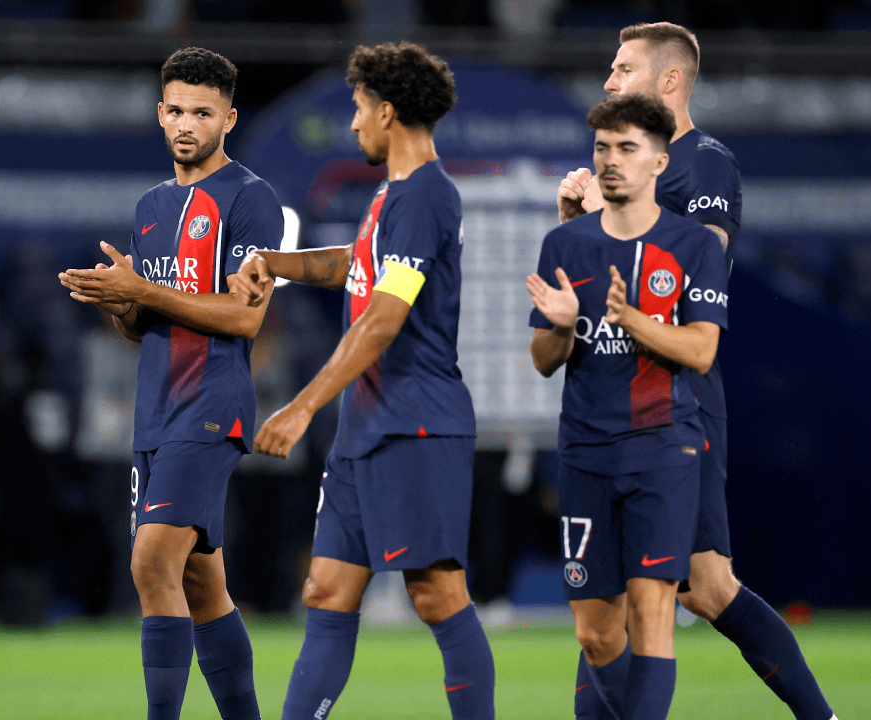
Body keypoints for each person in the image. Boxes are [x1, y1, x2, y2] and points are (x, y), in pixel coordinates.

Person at [556, 22, 837, 720]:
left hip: (678, 401)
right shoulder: (632, 169)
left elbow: (698, 264)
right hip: (608, 406)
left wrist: (611, 213)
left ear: (670, 81)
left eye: (623, 69)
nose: (609, 82)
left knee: (703, 588)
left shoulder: (704, 162)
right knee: (615, 606)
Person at [234, 41, 495, 720]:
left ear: (387, 111)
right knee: (326, 588)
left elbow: (382, 319)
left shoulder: (427, 195)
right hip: (367, 425)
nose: (352, 124)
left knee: (437, 595)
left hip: (415, 421)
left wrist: (301, 406)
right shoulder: (393, 195)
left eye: (357, 108)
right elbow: (355, 266)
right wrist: (276, 263)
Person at [58, 47, 282, 720]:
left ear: (229, 119)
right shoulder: (151, 207)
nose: (187, 124)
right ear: (160, 114)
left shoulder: (251, 199)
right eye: (177, 110)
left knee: (150, 563)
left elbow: (247, 318)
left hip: (211, 405)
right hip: (154, 413)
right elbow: (144, 325)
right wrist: (121, 304)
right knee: (201, 585)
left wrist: (142, 289)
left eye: (203, 113)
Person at [528, 93, 728, 720]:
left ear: (660, 163)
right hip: (585, 454)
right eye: (602, 149)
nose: (611, 161)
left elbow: (699, 350)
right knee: (595, 633)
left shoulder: (692, 245)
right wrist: (562, 326)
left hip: (662, 447)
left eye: (627, 149)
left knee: (652, 617)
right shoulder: (565, 243)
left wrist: (631, 319)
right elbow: (542, 358)